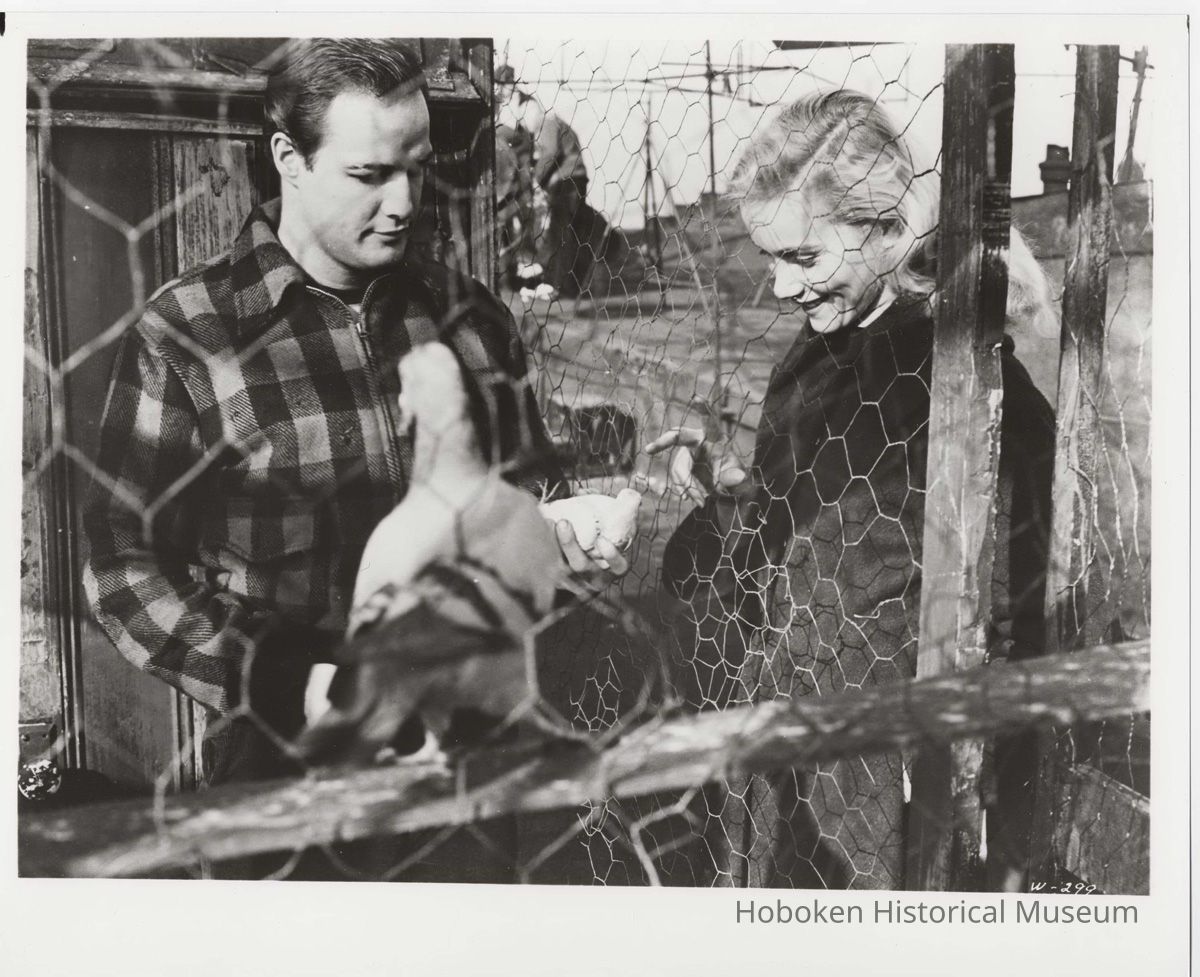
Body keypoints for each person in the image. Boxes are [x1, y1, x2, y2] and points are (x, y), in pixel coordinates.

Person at [82, 38, 626, 800]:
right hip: (289, 764)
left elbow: (529, 503)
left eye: (417, 169)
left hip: (474, 757)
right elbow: (123, 569)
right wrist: (286, 678)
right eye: (370, 175)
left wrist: (564, 546)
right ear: (290, 158)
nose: (404, 203)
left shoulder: (471, 319)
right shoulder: (190, 335)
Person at [647, 90, 1056, 889]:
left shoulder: (967, 384)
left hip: (893, 776)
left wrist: (978, 786)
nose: (779, 286)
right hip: (792, 748)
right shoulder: (811, 357)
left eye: (802, 258)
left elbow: (1016, 605)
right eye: (769, 257)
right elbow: (811, 533)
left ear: (888, 229)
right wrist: (734, 493)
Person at [495, 65, 591, 299]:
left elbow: (549, 154)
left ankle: (559, 285)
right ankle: (561, 283)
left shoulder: (547, 122)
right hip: (573, 178)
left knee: (559, 231)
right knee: (564, 231)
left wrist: (535, 181)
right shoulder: (552, 123)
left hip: (568, 180)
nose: (526, 130)